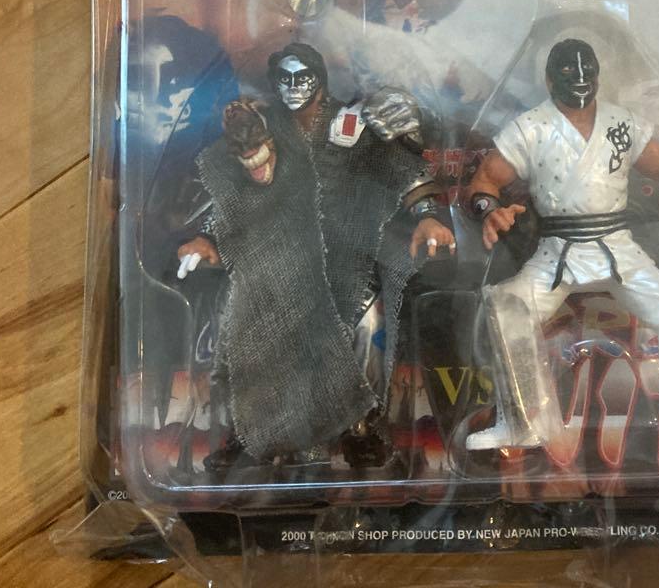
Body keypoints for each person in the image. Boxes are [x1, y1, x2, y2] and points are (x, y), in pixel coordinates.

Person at [464, 37, 659, 451]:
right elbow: (484, 181)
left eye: (587, 70)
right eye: (568, 71)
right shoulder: (531, 127)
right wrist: (489, 209)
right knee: (509, 308)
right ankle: (521, 422)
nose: (579, 79)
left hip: (616, 245)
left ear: (599, 76)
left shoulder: (620, 122)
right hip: (558, 249)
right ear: (550, 79)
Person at [177, 42, 454, 471]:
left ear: (320, 80)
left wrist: (427, 216)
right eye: (284, 78)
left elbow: (403, 169)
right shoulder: (261, 126)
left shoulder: (351, 125)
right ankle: (251, 434)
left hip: (346, 255)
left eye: (301, 77)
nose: (293, 87)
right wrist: (204, 239)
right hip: (277, 254)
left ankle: (361, 427)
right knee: (239, 323)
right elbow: (230, 193)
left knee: (368, 323)